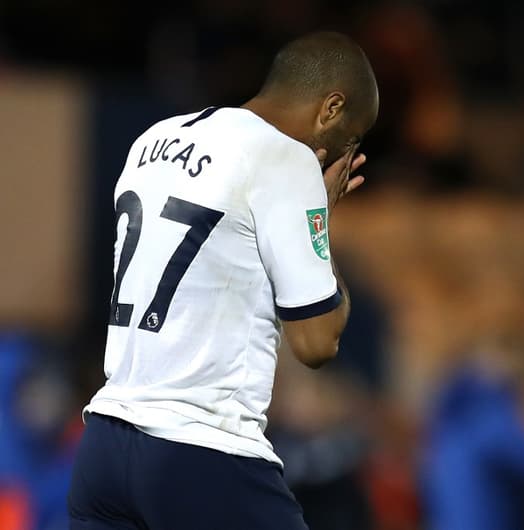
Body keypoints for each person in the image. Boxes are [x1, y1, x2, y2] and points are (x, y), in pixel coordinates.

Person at [68, 31, 379, 530]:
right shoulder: (286, 158)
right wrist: (318, 218)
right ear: (332, 108)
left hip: (104, 448)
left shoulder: (151, 138)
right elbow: (317, 341)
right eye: (353, 138)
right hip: (202, 451)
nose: (344, 154)